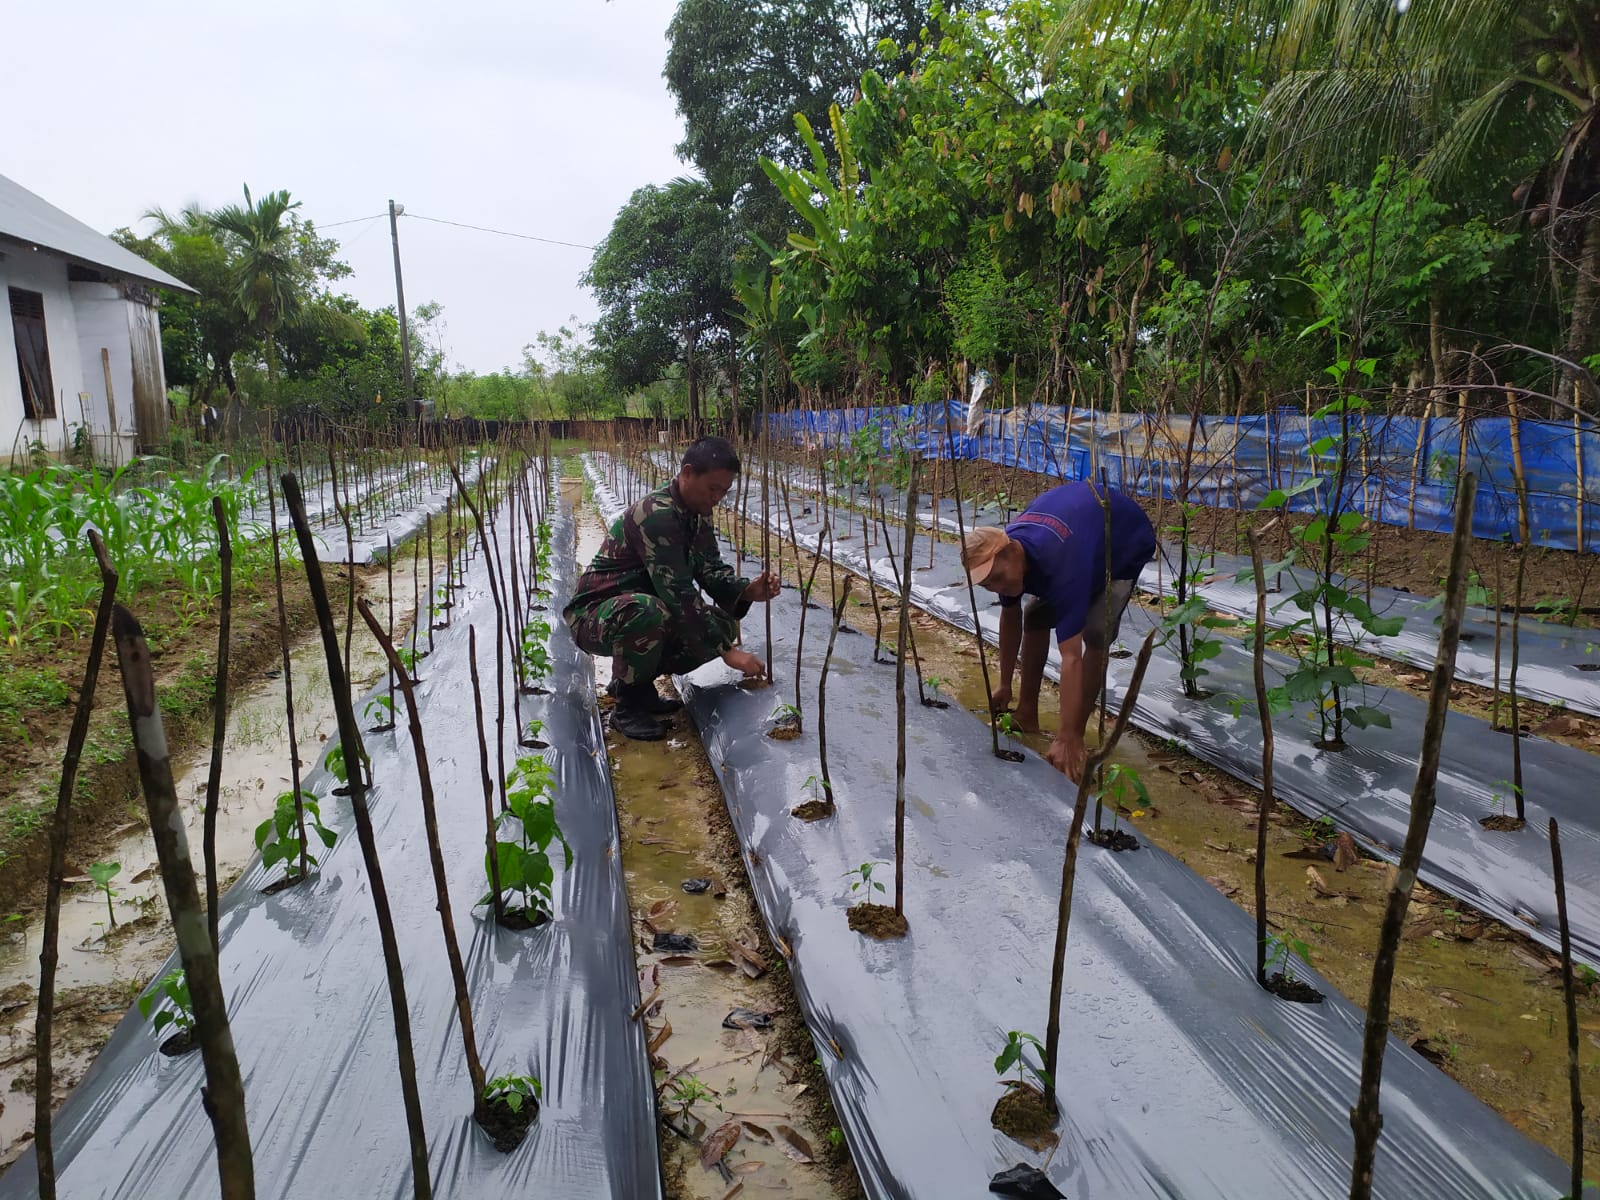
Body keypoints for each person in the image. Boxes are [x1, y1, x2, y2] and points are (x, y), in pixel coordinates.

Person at [565, 436, 780, 740]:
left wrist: (747, 591)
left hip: (638, 610)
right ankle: (627, 706)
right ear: (687, 473)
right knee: (649, 613)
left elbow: (710, 568)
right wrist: (728, 653)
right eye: (713, 488)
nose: (717, 497)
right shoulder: (656, 514)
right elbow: (678, 593)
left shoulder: (698, 513)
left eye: (724, 491)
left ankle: (636, 685)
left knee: (721, 624)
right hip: (594, 616)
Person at [961, 480, 1156, 782]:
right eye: (989, 585)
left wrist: (1065, 734)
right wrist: (1004, 684)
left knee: (1095, 633)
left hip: (1122, 542)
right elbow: (1010, 617)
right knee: (1033, 614)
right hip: (1081, 532)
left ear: (1012, 553)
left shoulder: (1062, 563)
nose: (997, 588)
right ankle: (1026, 713)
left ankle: (1075, 738)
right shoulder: (1007, 561)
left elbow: (1071, 657)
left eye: (997, 578)